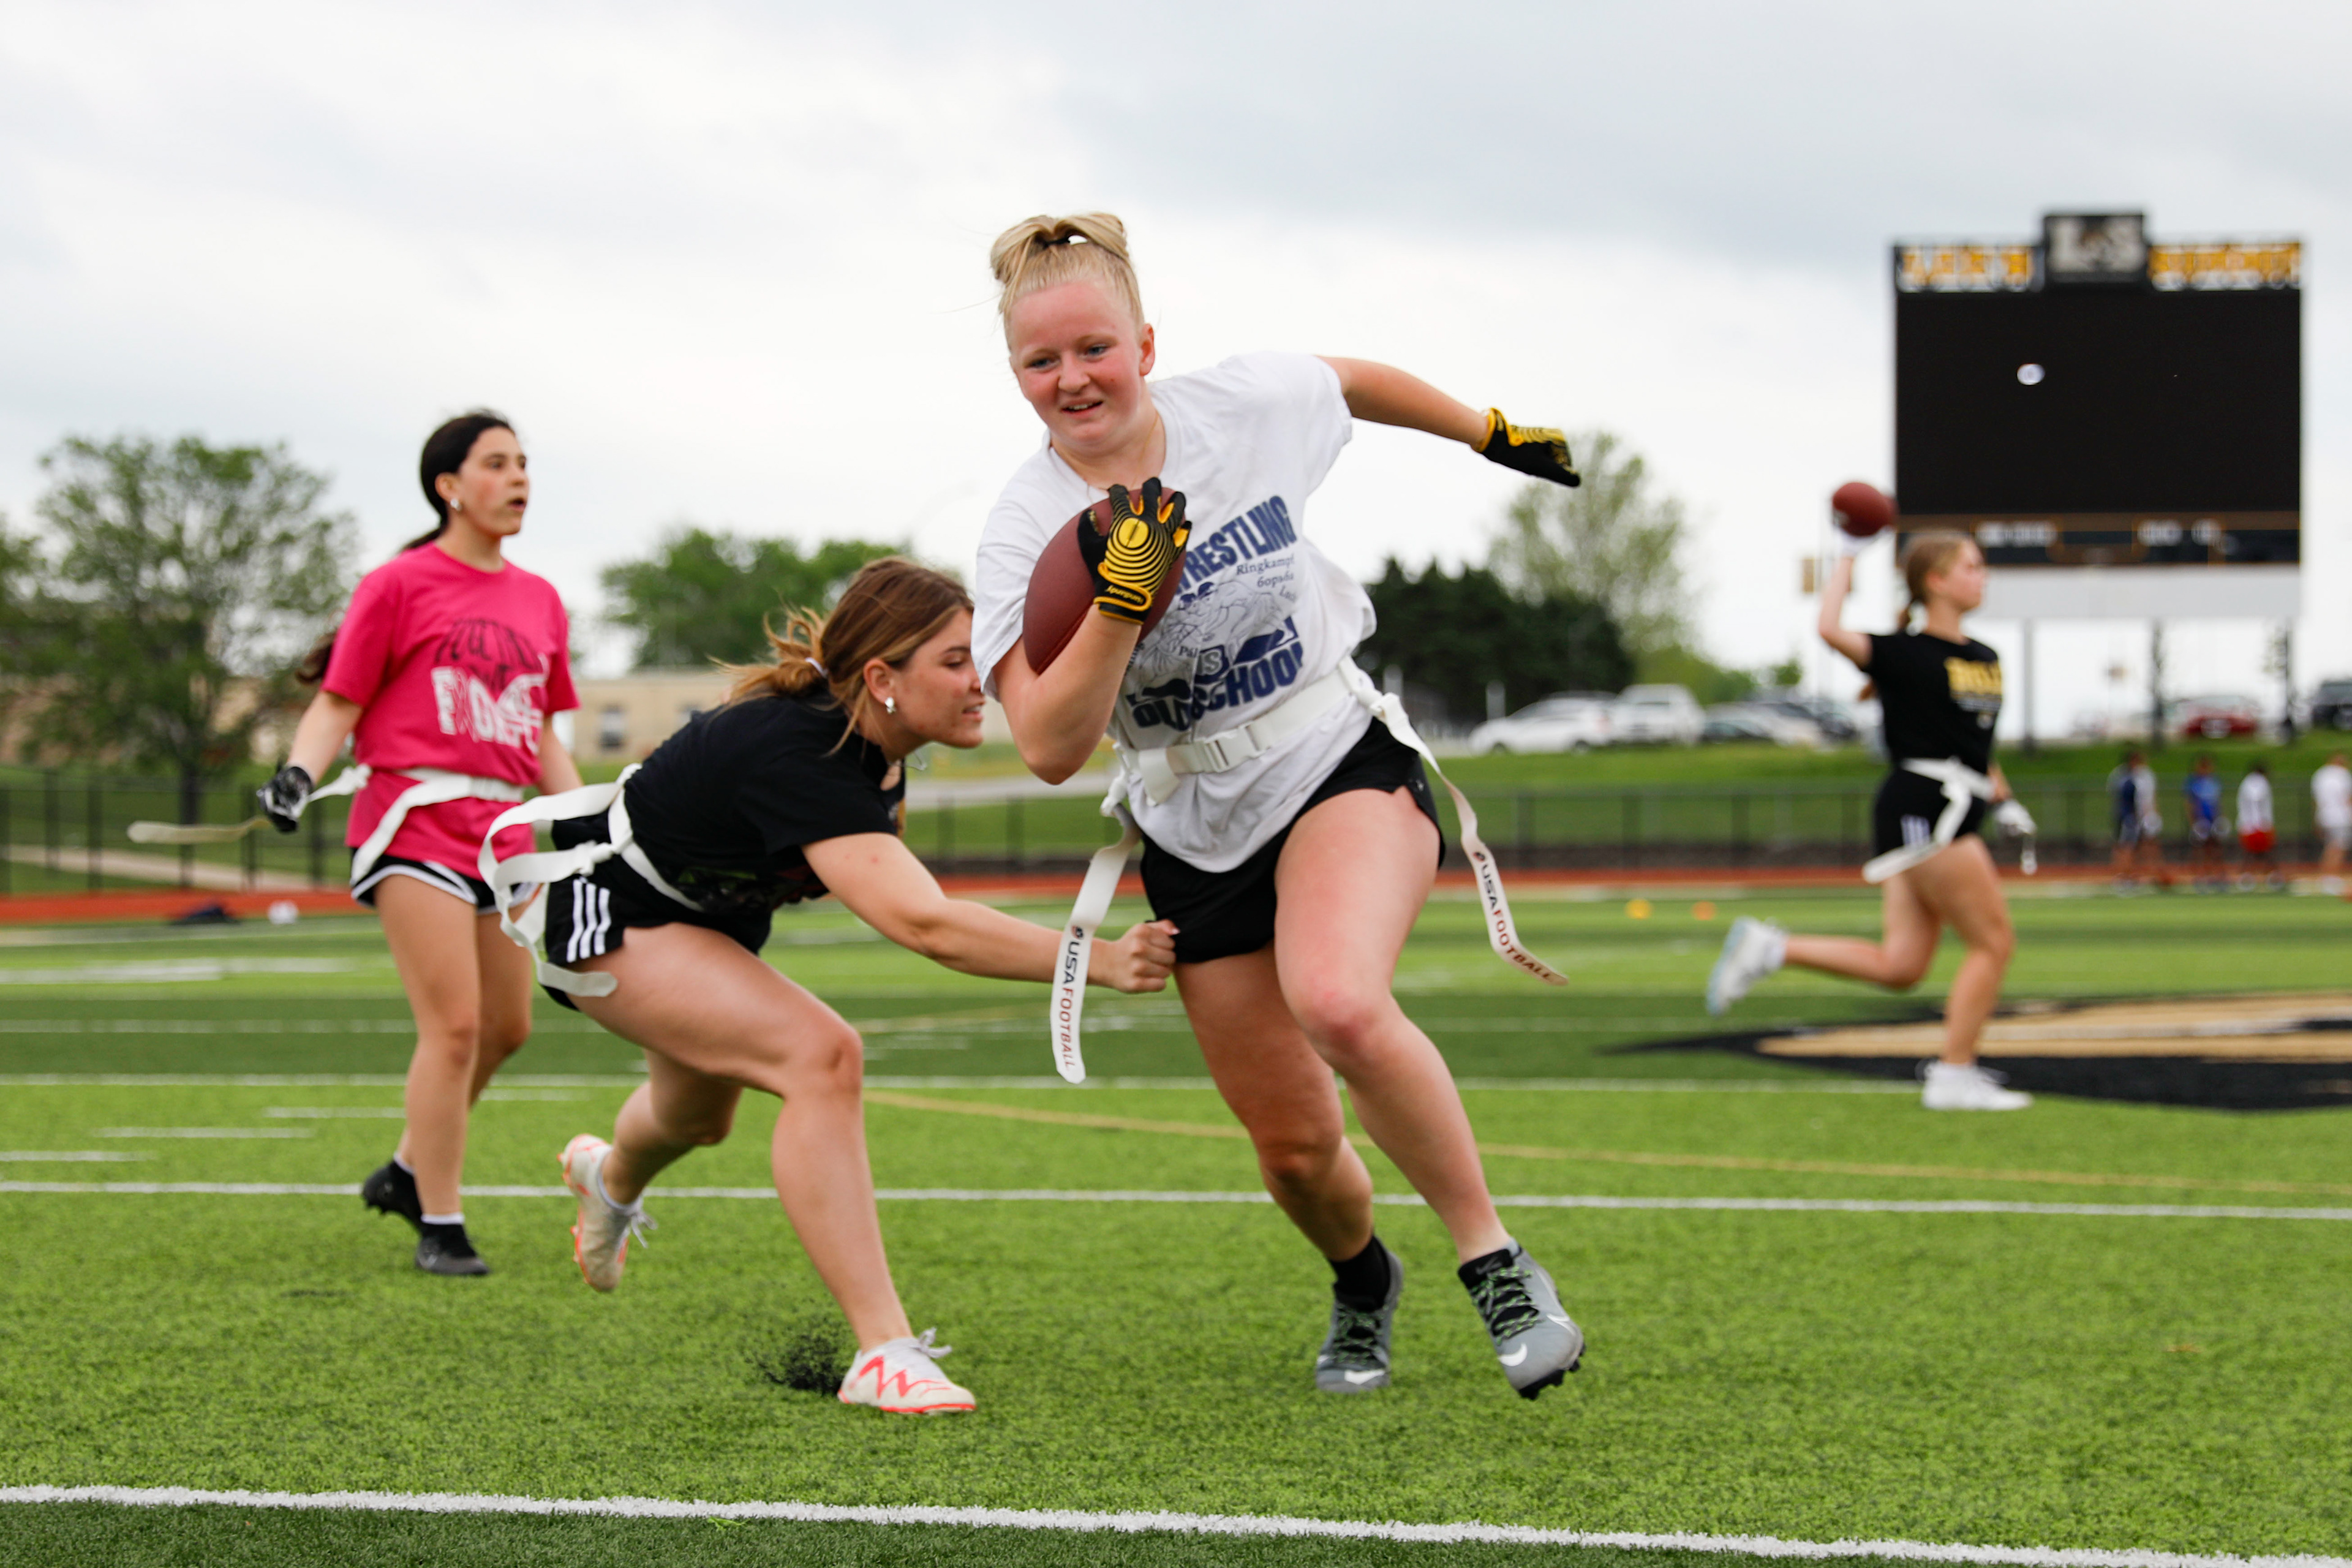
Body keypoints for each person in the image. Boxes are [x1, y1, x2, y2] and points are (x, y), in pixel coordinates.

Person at [968, 213, 1586, 1400]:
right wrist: (1119, 600)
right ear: (1015, 375)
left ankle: (1495, 1260)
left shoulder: (1238, 406)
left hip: (1328, 751)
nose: (1072, 379)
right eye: (1041, 363)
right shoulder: (1018, 529)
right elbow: (1047, 744)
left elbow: (1349, 379)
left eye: (1094, 347)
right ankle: (1364, 1280)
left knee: (1342, 997)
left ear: (1145, 341)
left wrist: (1487, 430)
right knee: (1297, 1150)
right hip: (1193, 819)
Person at [481, 559, 1175, 1415]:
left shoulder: (876, 747)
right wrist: (1095, 959)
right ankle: (884, 1351)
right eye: (956, 661)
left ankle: (607, 1175)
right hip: (606, 905)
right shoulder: (801, 748)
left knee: (698, 1118)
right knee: (820, 1055)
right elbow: (926, 925)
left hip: (704, 915)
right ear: (882, 678)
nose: (981, 682)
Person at [263, 411, 582, 1275]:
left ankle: (408, 1169)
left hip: (503, 835)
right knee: (454, 1027)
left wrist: (588, 820)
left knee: (507, 1028)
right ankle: (441, 1222)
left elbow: (543, 733)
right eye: (496, 464)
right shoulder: (399, 585)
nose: (518, 479)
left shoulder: (541, 599)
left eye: (524, 464)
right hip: (412, 824)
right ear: (449, 486)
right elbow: (339, 701)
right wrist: (297, 773)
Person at [1708, 530, 2034, 1112]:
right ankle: (1954, 1075)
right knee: (1994, 942)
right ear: (1935, 580)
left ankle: (1772, 948)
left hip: (1951, 804)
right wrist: (1849, 555)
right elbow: (1829, 629)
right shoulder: (1904, 651)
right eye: (1972, 566)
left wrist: (2006, 801)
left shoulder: (1985, 658)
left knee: (1902, 966)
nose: (1982, 576)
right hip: (1926, 809)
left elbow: (1975, 747)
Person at [2184, 753, 2226, 887]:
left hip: (2213, 818)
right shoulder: (2193, 782)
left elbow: (2218, 802)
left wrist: (2221, 818)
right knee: (2200, 849)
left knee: (2215, 848)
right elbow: (2189, 803)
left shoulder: (2214, 782)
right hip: (2200, 819)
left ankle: (2217, 876)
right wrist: (2192, 821)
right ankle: (2200, 876)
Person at [2108, 748, 2147, 884]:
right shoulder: (2127, 780)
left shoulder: (2123, 777)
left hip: (2126, 817)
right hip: (2128, 818)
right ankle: (2124, 875)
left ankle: (2127, 874)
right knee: (2126, 847)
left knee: (2128, 847)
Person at [2313, 751, 2351, 894]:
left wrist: (2317, 819)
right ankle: (2330, 878)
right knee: (2337, 848)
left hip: (2325, 816)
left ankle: (2328, 877)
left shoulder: (2320, 775)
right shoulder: (2343, 774)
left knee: (2331, 847)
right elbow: (2347, 797)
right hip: (2341, 816)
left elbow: (2316, 799)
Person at [2237, 761, 2277, 888]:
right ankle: (2271, 877)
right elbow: (2256, 799)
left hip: (2249, 824)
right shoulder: (2258, 782)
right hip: (2256, 824)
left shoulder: (2246, 782)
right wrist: (2261, 823)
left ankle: (2250, 876)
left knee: (2255, 853)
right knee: (2260, 852)